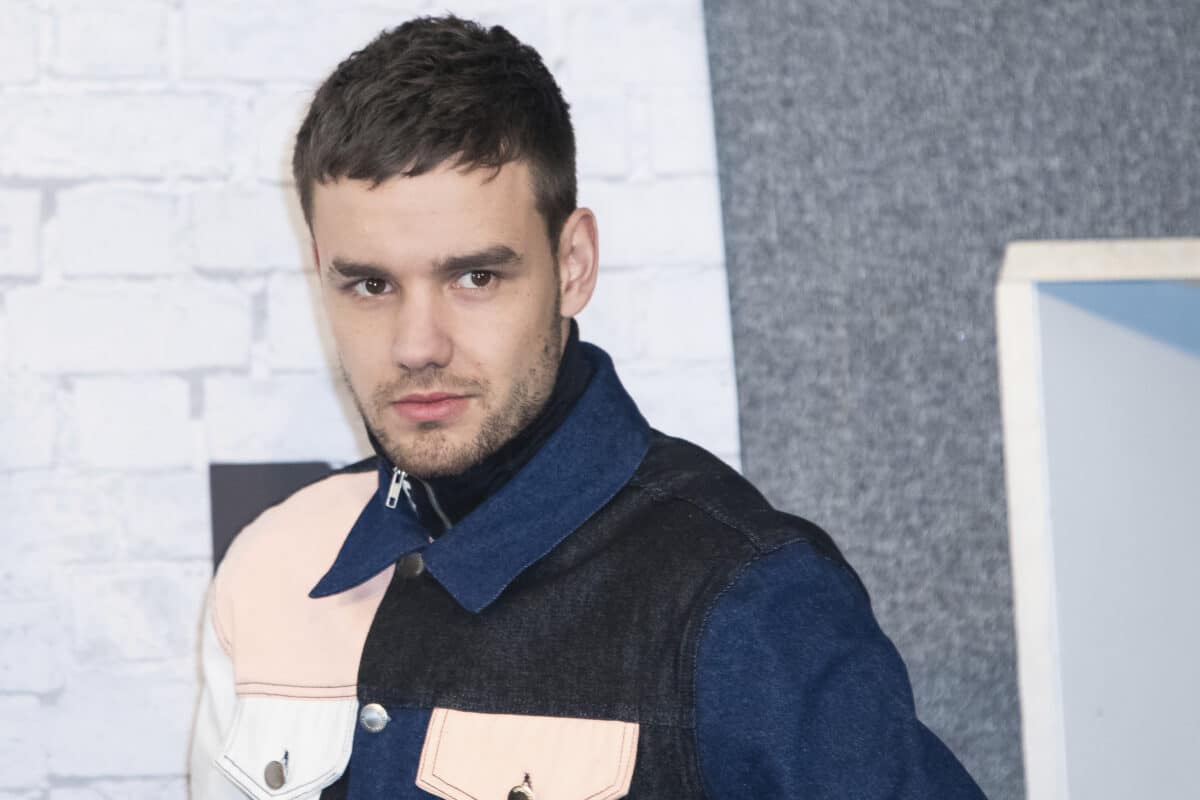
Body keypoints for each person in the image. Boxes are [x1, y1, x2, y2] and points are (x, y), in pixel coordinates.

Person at [189, 14, 985, 800]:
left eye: (475, 278)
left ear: (573, 265)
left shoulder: (744, 599)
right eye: (370, 284)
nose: (417, 345)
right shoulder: (271, 569)